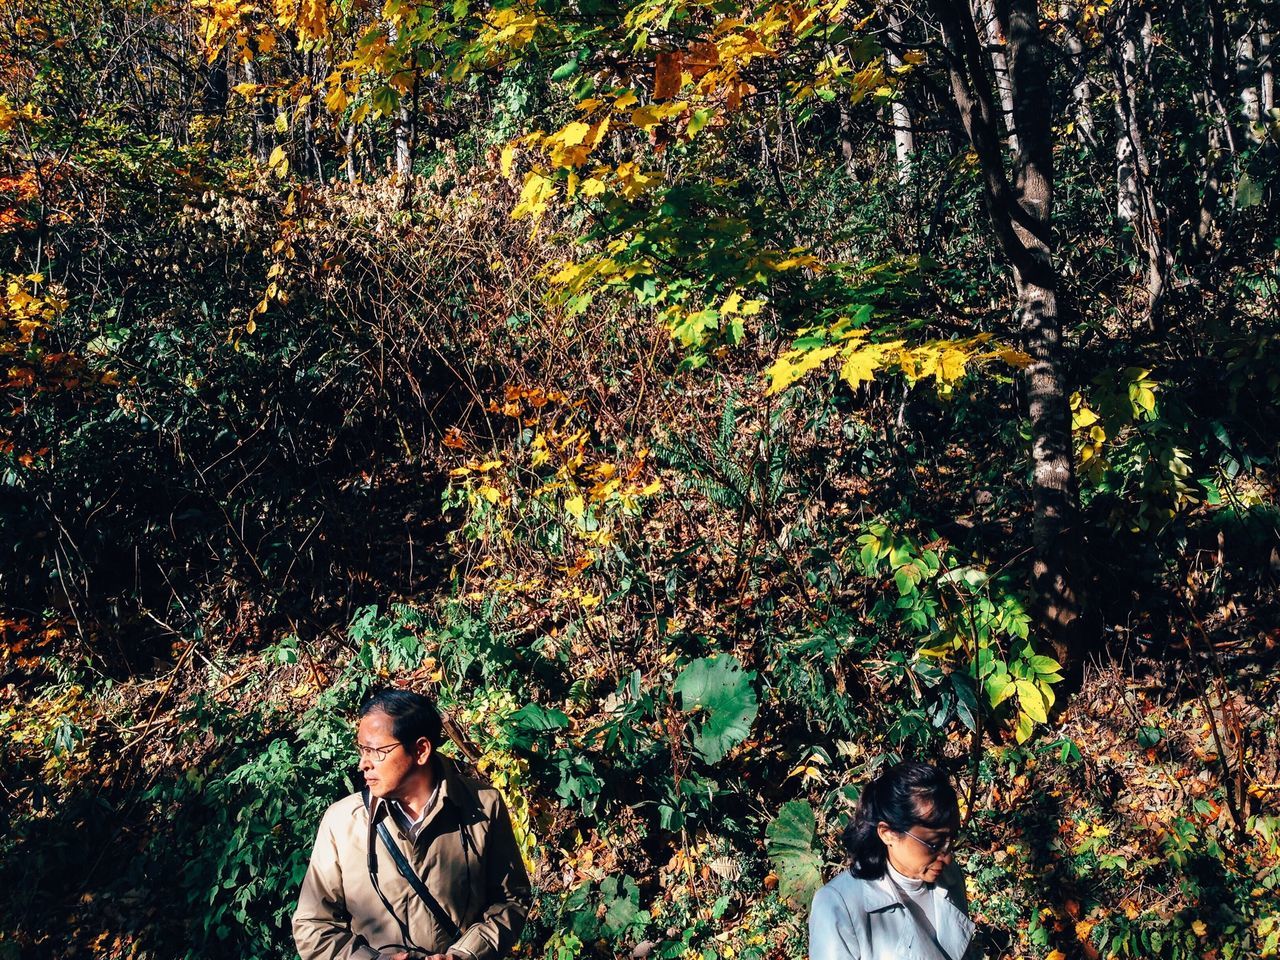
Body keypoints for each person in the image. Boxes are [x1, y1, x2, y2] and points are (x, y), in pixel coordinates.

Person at [293, 689, 531, 960]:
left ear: (420, 750)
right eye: (362, 749)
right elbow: (312, 925)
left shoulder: (482, 807)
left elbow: (511, 900)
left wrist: (466, 954)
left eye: (376, 751)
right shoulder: (343, 821)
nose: (363, 763)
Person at [809, 761, 975, 960]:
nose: (947, 857)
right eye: (934, 843)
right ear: (888, 834)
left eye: (953, 839)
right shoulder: (839, 904)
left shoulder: (949, 876)